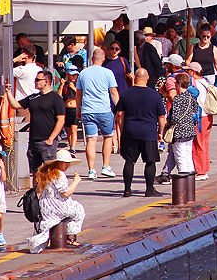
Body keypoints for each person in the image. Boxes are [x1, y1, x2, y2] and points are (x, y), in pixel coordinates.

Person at [115, 69, 165, 197]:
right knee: (150, 161)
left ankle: (127, 189)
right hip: (148, 132)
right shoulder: (154, 95)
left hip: (130, 131)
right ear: (147, 78)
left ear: (135, 78)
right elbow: (161, 117)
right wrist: (161, 132)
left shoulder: (126, 93)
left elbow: (120, 114)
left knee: (130, 161)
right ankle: (149, 189)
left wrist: (122, 129)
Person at [5, 70, 64, 174]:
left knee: (49, 171)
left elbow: (61, 120)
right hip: (33, 140)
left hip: (47, 140)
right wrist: (8, 91)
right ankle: (36, 190)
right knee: (35, 171)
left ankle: (50, 190)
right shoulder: (33, 97)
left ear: (46, 81)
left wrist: (51, 139)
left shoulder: (56, 98)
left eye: (37, 80)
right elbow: (15, 105)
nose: (35, 82)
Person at [28, 150, 85, 253]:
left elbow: (38, 190)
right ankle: (70, 237)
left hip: (45, 205)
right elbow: (65, 193)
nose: (68, 165)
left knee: (73, 209)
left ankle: (66, 236)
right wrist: (76, 182)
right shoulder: (59, 174)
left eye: (69, 163)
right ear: (58, 163)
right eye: (65, 163)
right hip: (57, 206)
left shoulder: (46, 173)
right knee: (79, 210)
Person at [76, 49, 120, 180]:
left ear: (91, 58)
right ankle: (106, 167)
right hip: (104, 110)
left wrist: (79, 108)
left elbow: (79, 93)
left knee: (91, 139)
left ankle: (91, 170)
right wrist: (119, 108)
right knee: (107, 137)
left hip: (88, 110)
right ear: (104, 58)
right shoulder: (108, 73)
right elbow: (113, 92)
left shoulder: (83, 73)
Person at [165, 73, 197, 177]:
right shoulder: (190, 97)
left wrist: (168, 123)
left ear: (178, 84)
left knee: (180, 157)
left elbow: (175, 117)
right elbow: (195, 109)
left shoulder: (178, 99)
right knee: (188, 156)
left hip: (179, 132)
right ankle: (190, 181)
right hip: (190, 131)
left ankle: (183, 184)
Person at [57, 63, 81, 151]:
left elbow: (80, 95)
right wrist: (61, 85)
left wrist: (74, 88)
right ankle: (71, 145)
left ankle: (73, 147)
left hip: (74, 108)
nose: (74, 77)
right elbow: (59, 97)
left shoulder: (78, 85)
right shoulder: (65, 85)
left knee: (74, 128)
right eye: (72, 75)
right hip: (66, 108)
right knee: (68, 129)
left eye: (75, 75)